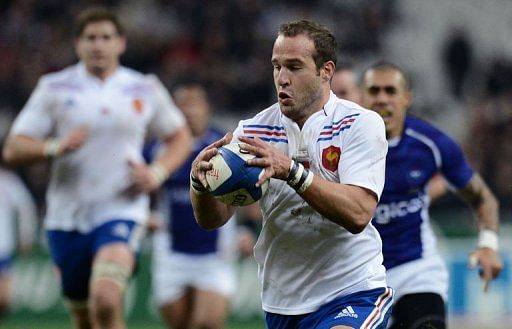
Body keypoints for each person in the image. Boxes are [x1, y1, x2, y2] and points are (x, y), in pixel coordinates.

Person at [189, 20, 393, 329]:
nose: (282, 78)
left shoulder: (359, 124)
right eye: (276, 67)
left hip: (352, 289)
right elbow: (212, 220)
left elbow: (359, 213)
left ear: (326, 71)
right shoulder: (251, 132)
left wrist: (291, 171)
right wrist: (201, 186)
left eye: (294, 67)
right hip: (283, 301)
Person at [2, 7, 192, 329]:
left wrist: (157, 173)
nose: (98, 45)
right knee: (85, 317)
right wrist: (53, 147)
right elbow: (14, 148)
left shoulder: (143, 87)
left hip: (122, 209)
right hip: (66, 216)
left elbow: (180, 136)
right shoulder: (54, 88)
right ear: (78, 44)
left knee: (105, 297)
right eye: (90, 38)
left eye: (106, 38)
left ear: (121, 43)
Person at [359, 61, 503, 329]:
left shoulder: (431, 144)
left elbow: (482, 198)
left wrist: (488, 244)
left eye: (390, 91)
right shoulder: (338, 146)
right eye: (374, 90)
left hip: (415, 270)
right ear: (360, 96)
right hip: (358, 277)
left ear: (406, 97)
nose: (382, 98)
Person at [146, 82, 256, 329]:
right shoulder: (158, 148)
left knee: (207, 324)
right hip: (170, 252)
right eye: (182, 104)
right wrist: (146, 215)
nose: (189, 111)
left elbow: (251, 187)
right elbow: (139, 185)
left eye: (194, 104)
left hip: (215, 255)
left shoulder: (225, 146)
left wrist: (247, 229)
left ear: (206, 108)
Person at [0, 164, 38, 322]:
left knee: (3, 300)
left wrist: (27, 236)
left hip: (3, 247)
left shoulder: (8, 181)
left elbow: (26, 208)